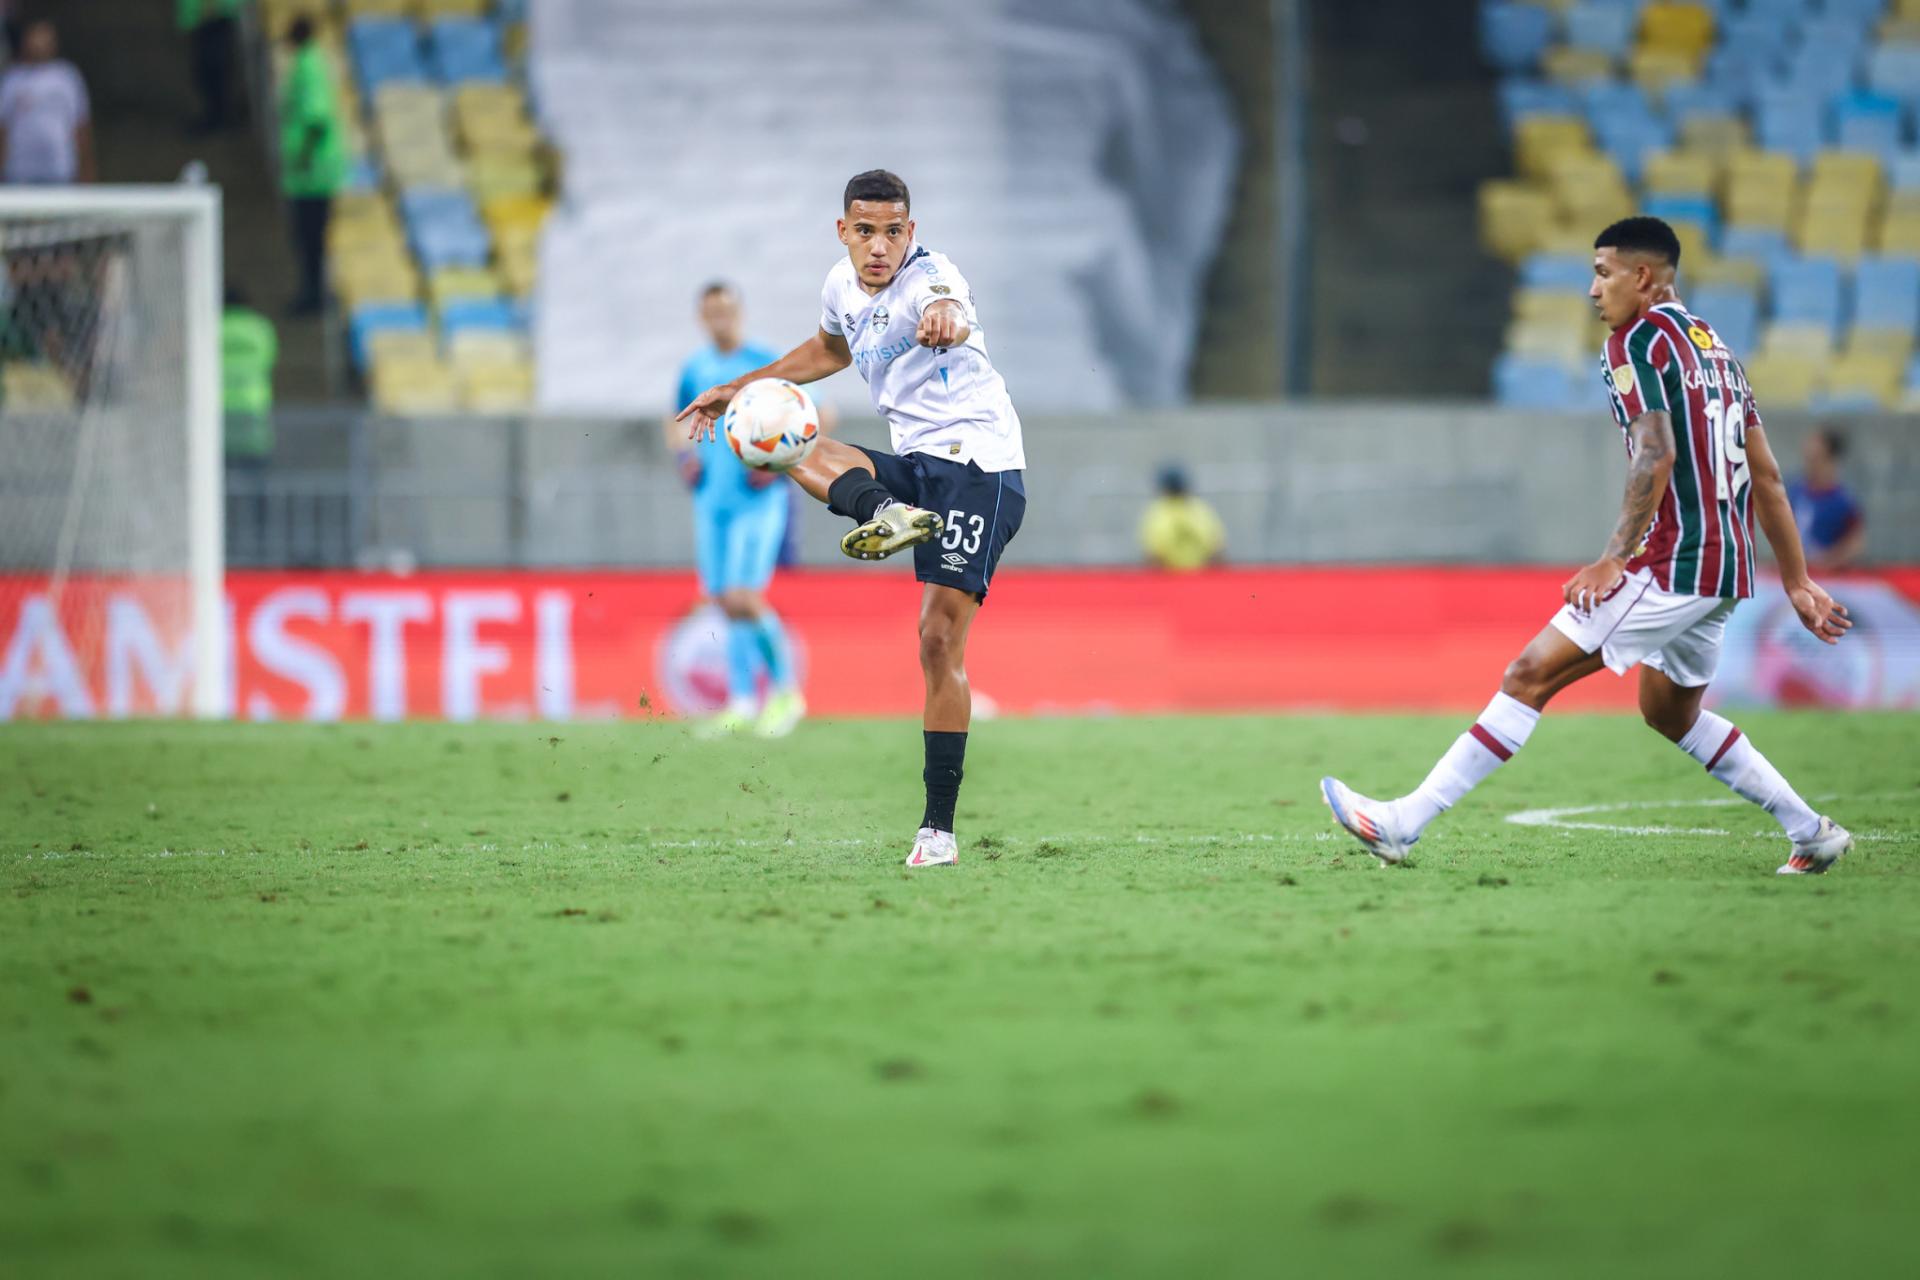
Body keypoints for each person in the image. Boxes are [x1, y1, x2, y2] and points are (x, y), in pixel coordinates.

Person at [1321, 217, 1855, 877]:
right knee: (1671, 712)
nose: (1593, 290)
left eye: (1603, 273)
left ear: (1643, 277)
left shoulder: (1636, 342)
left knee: (1528, 675)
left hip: (1674, 563)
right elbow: (1767, 474)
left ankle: (1405, 821)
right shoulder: (1715, 348)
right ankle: (1811, 830)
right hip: (1728, 569)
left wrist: (1614, 557)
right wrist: (1796, 580)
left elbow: (1654, 455)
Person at [679, 170, 1027, 869]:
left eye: (894, 231)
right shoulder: (841, 287)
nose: (880, 246)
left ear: (911, 233)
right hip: (917, 467)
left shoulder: (932, 280)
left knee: (936, 640)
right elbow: (830, 352)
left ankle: (938, 829)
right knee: (782, 437)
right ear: (843, 232)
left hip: (979, 470)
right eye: (865, 231)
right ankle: (888, 512)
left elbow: (948, 309)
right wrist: (738, 389)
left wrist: (946, 319)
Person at [669, 282, 806, 739]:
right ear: (701, 317)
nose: (720, 319)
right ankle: (743, 701)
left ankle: (787, 692)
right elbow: (678, 420)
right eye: (712, 312)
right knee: (725, 603)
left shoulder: (764, 363)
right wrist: (683, 458)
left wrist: (780, 462)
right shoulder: (696, 368)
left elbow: (817, 415)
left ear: (739, 313)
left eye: (727, 310)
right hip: (713, 502)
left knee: (744, 597)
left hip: (758, 500)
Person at [279, 17, 344, 316]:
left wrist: (303, 156)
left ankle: (314, 295)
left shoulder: (307, 67)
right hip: (312, 173)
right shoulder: (311, 62)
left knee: (311, 239)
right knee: (311, 239)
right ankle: (313, 293)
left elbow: (316, 119)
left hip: (312, 174)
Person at [0, 20, 95, 186]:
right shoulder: (12, 80)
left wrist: (87, 171)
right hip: (20, 172)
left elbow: (81, 126)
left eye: (45, 38)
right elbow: (3, 130)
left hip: (59, 171)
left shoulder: (67, 77)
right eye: (35, 37)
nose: (39, 44)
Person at [222, 286, 278, 553]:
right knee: (257, 487)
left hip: (216, 421)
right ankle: (262, 541)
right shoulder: (260, 328)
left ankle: (221, 541)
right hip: (253, 417)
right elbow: (269, 360)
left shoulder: (210, 328)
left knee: (216, 488)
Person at [1788, 427, 1865, 571]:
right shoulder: (1796, 491)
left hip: (1828, 577)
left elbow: (1856, 542)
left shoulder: (1842, 500)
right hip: (1799, 572)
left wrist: (1828, 560)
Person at [1140, 464, 1226, 570]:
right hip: (1200, 577)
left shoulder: (1158, 511)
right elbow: (1217, 549)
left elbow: (1152, 555)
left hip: (1169, 579)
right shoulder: (1199, 508)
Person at [179, 0, 242, 134]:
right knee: (206, 70)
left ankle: (220, 117)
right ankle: (217, 116)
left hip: (212, 17)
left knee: (214, 68)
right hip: (203, 17)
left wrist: (209, 8)